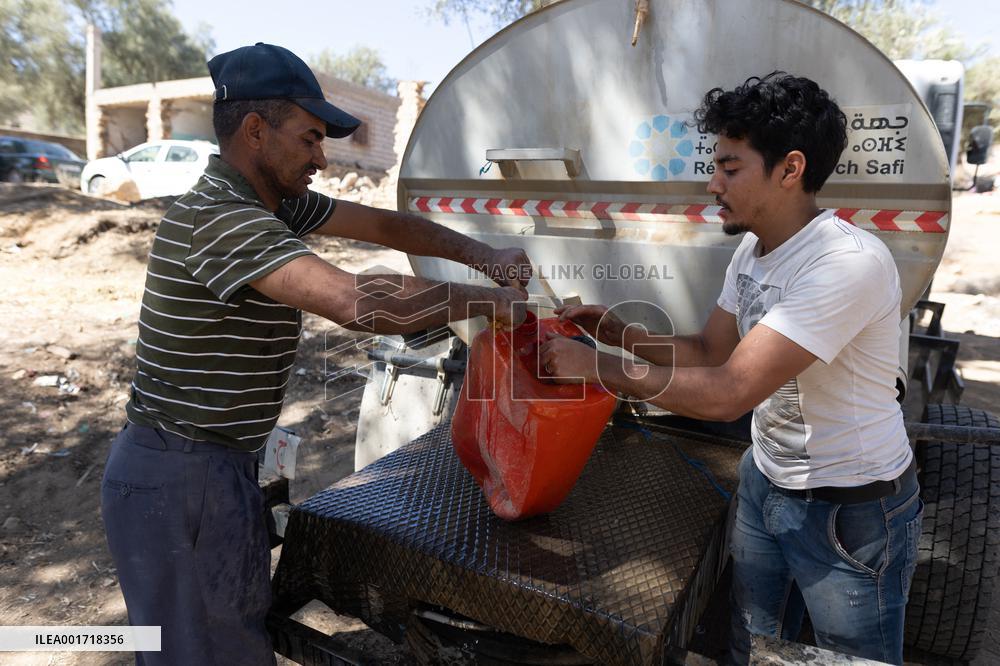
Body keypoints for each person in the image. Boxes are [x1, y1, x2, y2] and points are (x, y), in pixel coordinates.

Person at [100, 43, 531, 665]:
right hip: (179, 475)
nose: (321, 158)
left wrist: (483, 255)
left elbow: (386, 227)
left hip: (216, 465)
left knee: (234, 637)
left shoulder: (271, 203)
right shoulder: (222, 220)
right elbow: (354, 301)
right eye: (308, 139)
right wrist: (489, 302)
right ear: (255, 131)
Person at [539, 72, 921, 665]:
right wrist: (620, 335)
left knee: (851, 661)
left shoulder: (845, 264)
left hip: (849, 512)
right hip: (767, 482)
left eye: (731, 167)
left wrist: (598, 366)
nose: (712, 183)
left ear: (790, 169)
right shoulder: (754, 248)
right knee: (753, 644)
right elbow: (711, 351)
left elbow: (728, 394)